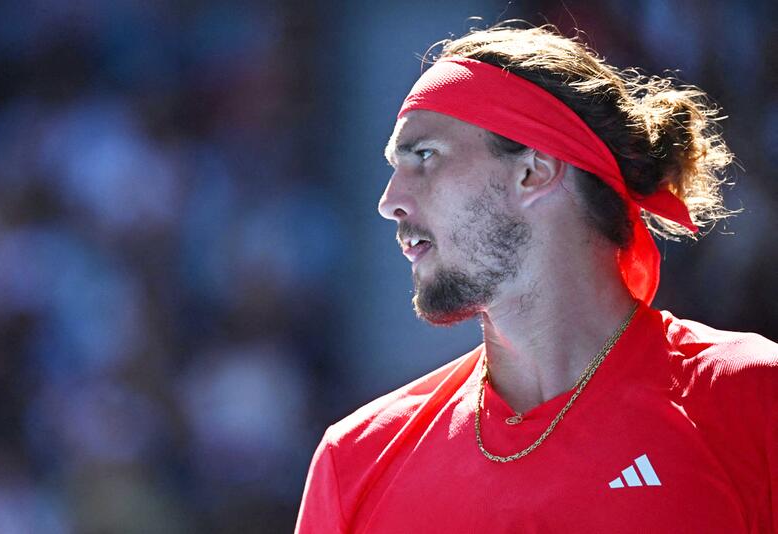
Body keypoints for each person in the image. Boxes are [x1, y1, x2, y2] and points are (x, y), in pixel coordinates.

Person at [295, 23, 777, 533]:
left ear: (534, 171)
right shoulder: (355, 462)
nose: (389, 200)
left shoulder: (756, 397)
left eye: (425, 157)